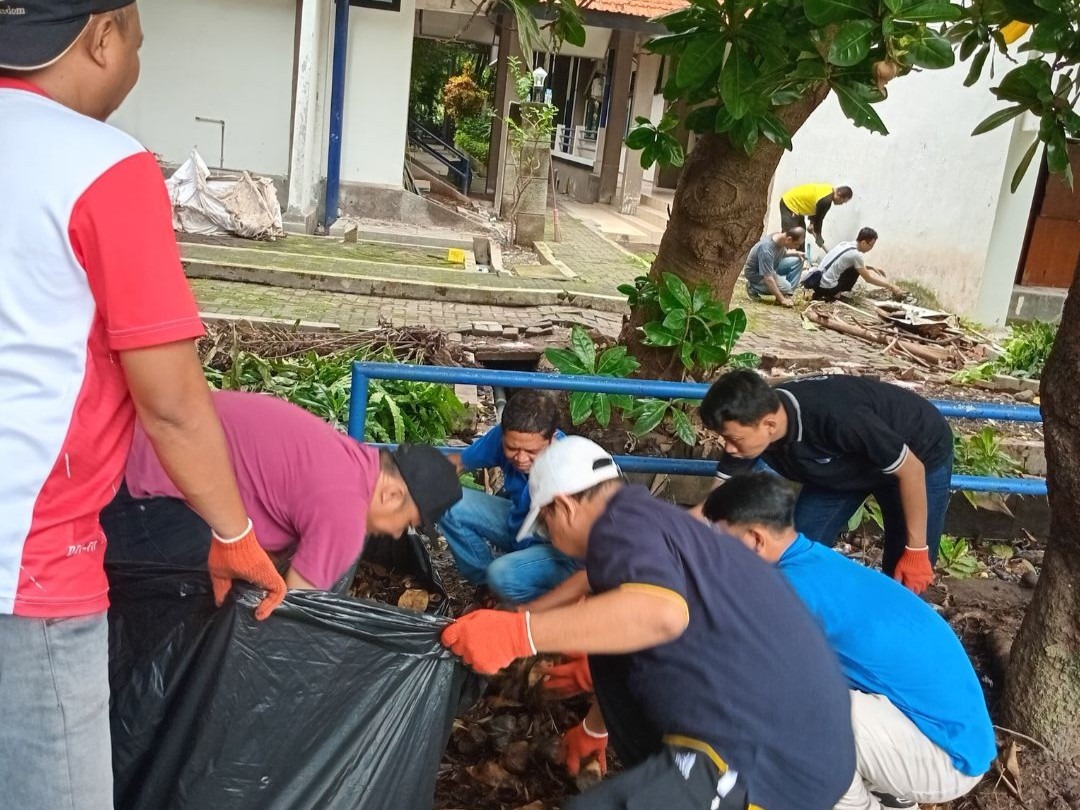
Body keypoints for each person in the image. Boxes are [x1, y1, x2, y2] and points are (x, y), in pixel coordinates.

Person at [0, 4, 286, 808]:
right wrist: (232, 533)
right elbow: (172, 405)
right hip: (27, 570)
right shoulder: (104, 166)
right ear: (102, 34)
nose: (134, 65)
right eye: (137, 44)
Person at [442, 437, 856, 810]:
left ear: (563, 507)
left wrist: (520, 634)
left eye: (546, 524)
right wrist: (595, 728)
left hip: (765, 761)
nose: (549, 536)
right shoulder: (647, 524)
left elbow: (660, 615)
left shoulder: (620, 526)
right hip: (766, 736)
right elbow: (637, 632)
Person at [703, 474, 995, 810]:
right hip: (952, 734)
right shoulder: (816, 562)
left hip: (945, 757)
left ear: (755, 539)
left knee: (792, 718)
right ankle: (890, 798)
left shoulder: (788, 590)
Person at [102, 391, 463, 591]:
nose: (398, 534)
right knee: (194, 607)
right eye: (407, 523)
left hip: (124, 440)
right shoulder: (345, 515)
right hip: (140, 488)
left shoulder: (350, 459)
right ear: (392, 496)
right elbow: (293, 613)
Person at [699, 370, 953, 593]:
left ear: (769, 425)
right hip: (844, 465)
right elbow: (712, 506)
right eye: (725, 438)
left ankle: (893, 633)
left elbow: (911, 470)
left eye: (734, 439)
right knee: (796, 547)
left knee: (906, 571)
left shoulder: (837, 417)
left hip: (917, 457)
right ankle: (793, 617)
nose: (728, 448)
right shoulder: (748, 429)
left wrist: (917, 551)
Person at [438, 389, 577, 603]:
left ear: (551, 438)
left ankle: (531, 598)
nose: (520, 458)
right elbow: (457, 463)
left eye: (531, 451)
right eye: (512, 448)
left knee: (502, 574)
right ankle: (487, 585)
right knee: (444, 500)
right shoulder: (500, 438)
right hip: (518, 526)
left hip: (557, 549)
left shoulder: (573, 466)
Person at [803, 228, 904, 301]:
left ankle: (826, 293)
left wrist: (871, 267)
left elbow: (850, 263)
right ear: (864, 243)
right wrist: (891, 286)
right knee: (855, 271)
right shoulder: (856, 255)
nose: (871, 249)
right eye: (871, 246)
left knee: (855, 268)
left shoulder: (844, 244)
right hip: (827, 288)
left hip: (817, 282)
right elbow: (868, 279)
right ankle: (835, 294)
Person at [743, 226, 806, 307]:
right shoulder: (766, 249)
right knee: (786, 287)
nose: (797, 247)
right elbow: (768, 278)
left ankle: (788, 295)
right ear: (789, 239)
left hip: (771, 267)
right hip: (757, 274)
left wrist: (796, 253)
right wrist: (782, 300)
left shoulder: (780, 238)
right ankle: (753, 287)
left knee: (798, 261)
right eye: (797, 245)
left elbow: (781, 254)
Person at [779, 183, 853, 249]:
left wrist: (812, 224)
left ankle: (800, 259)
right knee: (790, 235)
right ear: (839, 195)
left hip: (797, 207)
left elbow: (816, 208)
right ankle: (777, 258)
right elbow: (819, 219)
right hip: (790, 204)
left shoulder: (828, 190)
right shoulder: (826, 201)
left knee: (800, 236)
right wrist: (818, 235)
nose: (841, 204)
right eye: (843, 201)